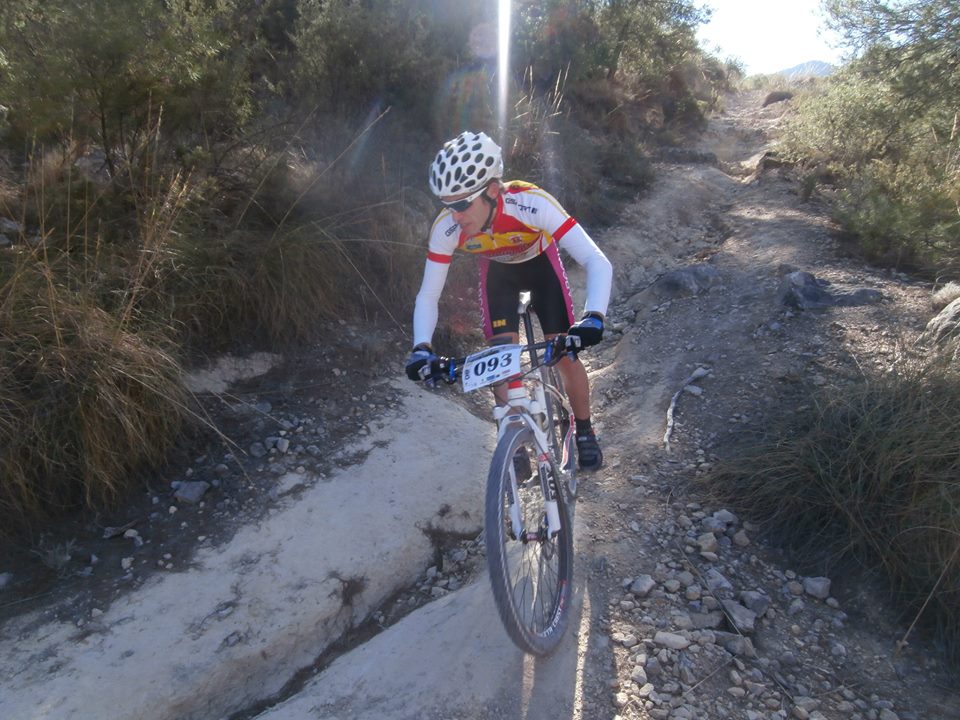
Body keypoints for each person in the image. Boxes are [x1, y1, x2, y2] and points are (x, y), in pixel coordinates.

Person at [404, 130, 613, 470]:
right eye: (446, 205)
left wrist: (594, 316)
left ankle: (585, 431)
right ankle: (513, 439)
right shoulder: (447, 229)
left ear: (490, 191)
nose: (454, 215)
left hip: (541, 267)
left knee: (563, 351)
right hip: (498, 273)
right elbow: (428, 294)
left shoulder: (531, 202)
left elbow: (596, 260)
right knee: (501, 358)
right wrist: (421, 347)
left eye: (461, 204)